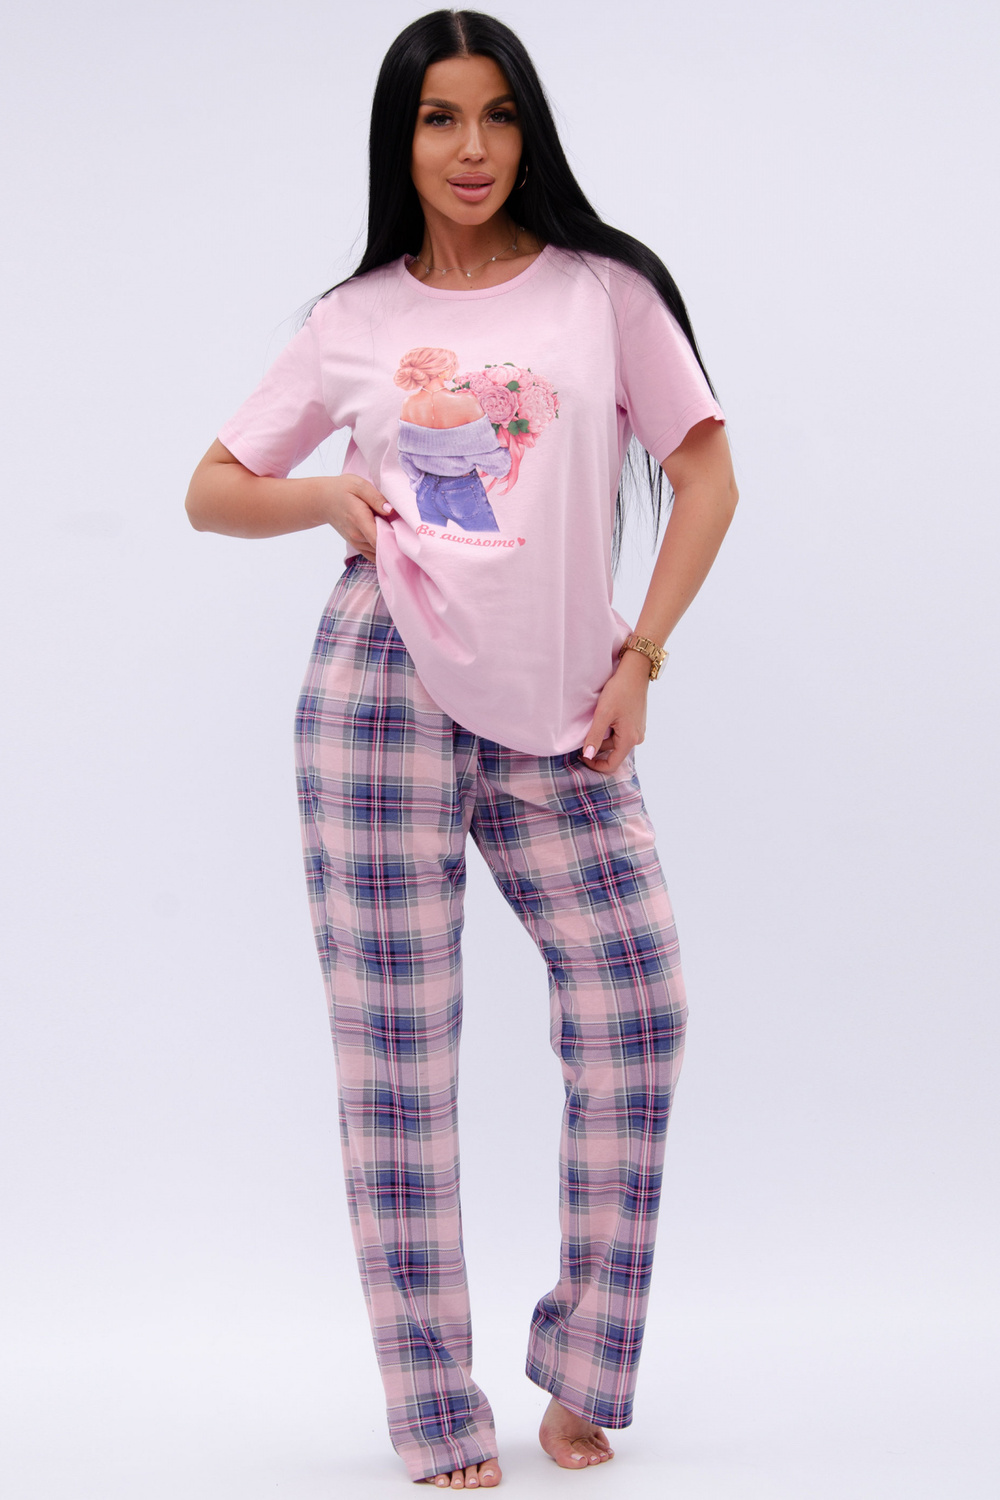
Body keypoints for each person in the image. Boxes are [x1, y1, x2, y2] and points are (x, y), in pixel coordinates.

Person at [184, 8, 738, 1490]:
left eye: (496, 115)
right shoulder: (353, 317)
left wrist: (641, 658)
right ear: (403, 139)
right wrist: (323, 501)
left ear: (527, 128)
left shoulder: (605, 293)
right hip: (378, 696)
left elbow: (706, 478)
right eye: (440, 118)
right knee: (396, 1059)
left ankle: (583, 1368)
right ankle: (433, 1407)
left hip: (566, 707)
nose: (473, 147)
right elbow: (211, 486)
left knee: (638, 1010)